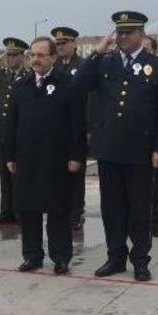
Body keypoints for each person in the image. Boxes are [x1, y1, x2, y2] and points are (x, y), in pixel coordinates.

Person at [74, 11, 158, 282]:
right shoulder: (105, 63)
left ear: (142, 34)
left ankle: (140, 259)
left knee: (139, 209)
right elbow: (78, 84)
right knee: (112, 208)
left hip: (141, 150)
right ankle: (115, 257)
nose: (123, 37)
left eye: (129, 32)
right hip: (109, 148)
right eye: (119, 32)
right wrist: (97, 52)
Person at [4, 37, 87, 275]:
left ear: (53, 57)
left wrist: (76, 156)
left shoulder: (68, 83)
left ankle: (60, 257)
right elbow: (11, 124)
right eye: (32, 55)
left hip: (57, 159)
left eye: (41, 55)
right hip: (27, 159)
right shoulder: (21, 85)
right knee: (28, 209)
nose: (35, 60)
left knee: (57, 210)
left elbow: (78, 124)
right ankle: (32, 256)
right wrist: (9, 155)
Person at [0, 37, 30, 227]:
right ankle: (6, 212)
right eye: (8, 55)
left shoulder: (29, 76)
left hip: (20, 134)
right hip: (2, 133)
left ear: (22, 56)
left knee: (19, 176)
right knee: (4, 176)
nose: (10, 59)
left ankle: (20, 213)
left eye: (14, 55)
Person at [50, 27, 88, 230]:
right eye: (57, 44)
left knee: (76, 174)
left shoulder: (82, 66)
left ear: (74, 44)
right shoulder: (53, 66)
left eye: (64, 43)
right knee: (56, 174)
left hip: (76, 127)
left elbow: (90, 98)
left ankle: (76, 212)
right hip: (56, 129)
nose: (60, 47)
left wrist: (90, 128)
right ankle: (60, 210)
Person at [142, 35, 158, 237]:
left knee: (157, 183)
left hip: (155, 137)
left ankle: (156, 222)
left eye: (147, 48)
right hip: (135, 139)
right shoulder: (130, 69)